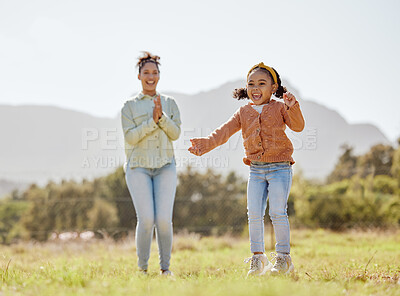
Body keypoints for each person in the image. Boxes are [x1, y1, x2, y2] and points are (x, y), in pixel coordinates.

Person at [188, 62, 305, 276]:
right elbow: (223, 132)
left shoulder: (280, 107)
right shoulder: (243, 112)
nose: (256, 88)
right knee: (254, 214)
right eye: (251, 83)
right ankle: (258, 258)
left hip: (280, 168)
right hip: (256, 170)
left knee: (278, 212)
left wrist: (292, 106)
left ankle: (283, 259)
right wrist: (206, 144)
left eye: (262, 83)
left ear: (274, 87)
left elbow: (298, 126)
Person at [121, 51, 181, 276]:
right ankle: (142, 269)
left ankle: (166, 270)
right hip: (138, 168)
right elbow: (131, 138)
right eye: (146, 72)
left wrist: (162, 118)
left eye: (155, 72)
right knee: (146, 220)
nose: (151, 76)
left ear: (159, 75)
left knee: (163, 221)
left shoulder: (170, 103)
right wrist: (152, 121)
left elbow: (175, 134)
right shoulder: (129, 106)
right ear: (139, 76)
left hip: (166, 166)